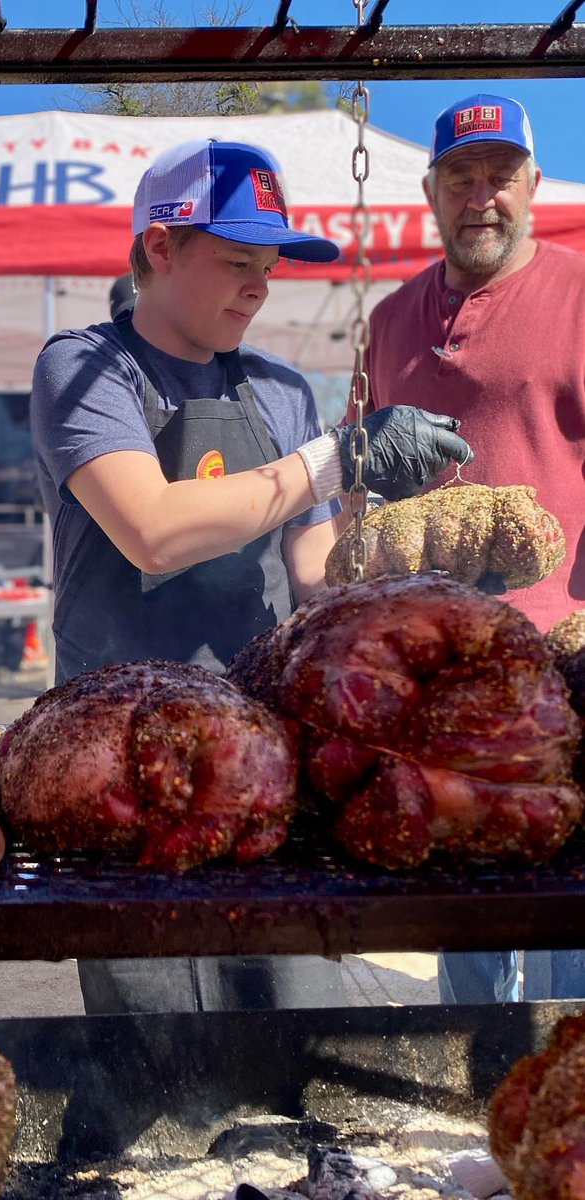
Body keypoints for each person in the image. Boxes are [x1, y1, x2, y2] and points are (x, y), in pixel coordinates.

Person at [29, 137, 474, 1016]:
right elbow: (150, 530)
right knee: (153, 1016)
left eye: (267, 266)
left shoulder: (277, 389)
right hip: (120, 744)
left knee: (284, 1001)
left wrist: (415, 566)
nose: (259, 286)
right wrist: (332, 461)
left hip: (260, 738)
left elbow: (311, 573)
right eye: (237, 261)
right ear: (160, 246)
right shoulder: (84, 367)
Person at [363, 93, 585, 1004]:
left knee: (566, 898)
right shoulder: (385, 320)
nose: (480, 195)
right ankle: (478, 1083)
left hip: (564, 658)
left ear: (532, 184)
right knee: (462, 895)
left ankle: (563, 1098)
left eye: (499, 174)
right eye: (460, 175)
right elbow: (369, 488)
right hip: (436, 665)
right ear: (430, 191)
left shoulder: (579, 295)